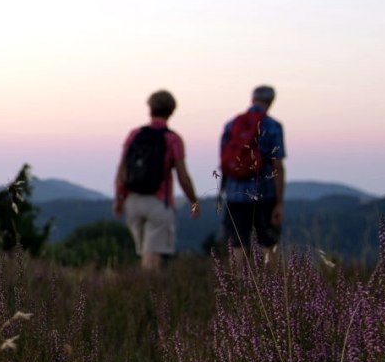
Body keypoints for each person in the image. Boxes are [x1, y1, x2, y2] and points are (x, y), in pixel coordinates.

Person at [114, 89, 201, 271]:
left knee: (144, 253)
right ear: (171, 111)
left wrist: (119, 199)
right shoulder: (173, 139)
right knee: (153, 255)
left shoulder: (134, 134)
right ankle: (149, 294)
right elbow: (182, 176)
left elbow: (122, 168)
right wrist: (194, 201)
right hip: (159, 201)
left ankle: (142, 292)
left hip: (133, 200)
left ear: (150, 109)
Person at [219, 84, 286, 258]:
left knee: (237, 246)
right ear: (271, 101)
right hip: (264, 194)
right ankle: (270, 284)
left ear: (252, 98)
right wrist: (279, 203)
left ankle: (238, 284)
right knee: (268, 246)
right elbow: (277, 166)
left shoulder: (231, 125)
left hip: (234, 195)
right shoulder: (272, 126)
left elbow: (224, 163)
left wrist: (222, 192)